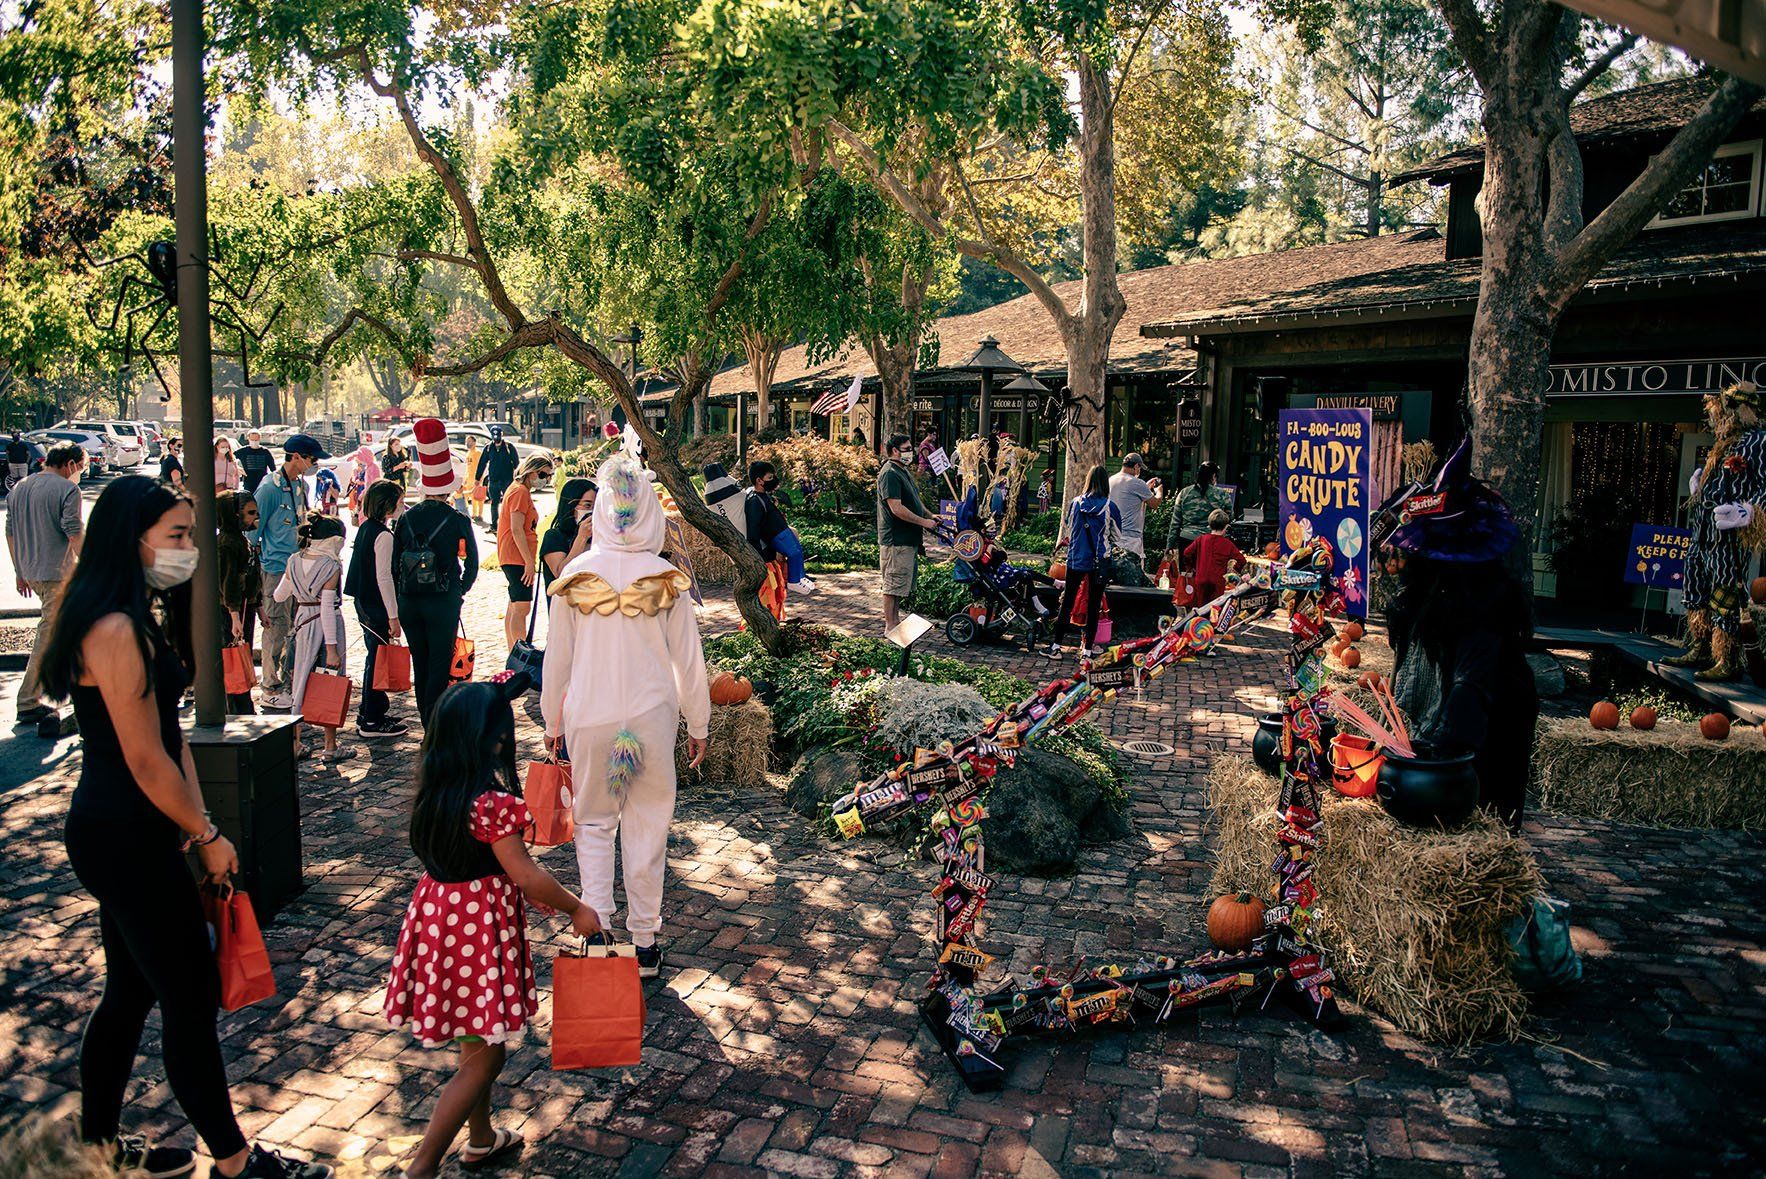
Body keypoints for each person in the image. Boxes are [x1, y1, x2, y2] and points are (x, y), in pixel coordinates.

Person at [40, 475, 333, 1179]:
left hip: (140, 826)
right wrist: (206, 836)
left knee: (131, 991)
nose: (188, 548)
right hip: (123, 832)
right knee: (188, 995)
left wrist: (199, 826)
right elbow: (144, 760)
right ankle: (234, 1162)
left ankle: (98, 1148)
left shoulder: (130, 613)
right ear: (130, 539)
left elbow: (171, 742)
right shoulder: (113, 628)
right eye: (176, 536)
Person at [384, 678, 601, 1179]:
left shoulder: (435, 792)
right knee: (487, 1055)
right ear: (493, 742)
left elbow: (498, 869)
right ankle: (422, 1167)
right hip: (476, 927)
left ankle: (481, 1139)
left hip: (439, 916)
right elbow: (526, 873)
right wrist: (575, 908)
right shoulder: (492, 804)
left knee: (474, 1035)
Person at [541, 453, 709, 978]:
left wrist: (552, 721)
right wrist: (698, 722)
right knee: (646, 824)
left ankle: (598, 934)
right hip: (648, 723)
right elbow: (689, 662)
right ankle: (644, 940)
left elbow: (557, 661)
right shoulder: (665, 579)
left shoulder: (576, 575)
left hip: (590, 718)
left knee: (592, 823)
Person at [1384, 440, 1536, 832]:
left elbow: (1468, 695)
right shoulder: (1424, 602)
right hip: (1447, 745)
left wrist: (1433, 764)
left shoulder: (1482, 608)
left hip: (1481, 753)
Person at [395, 418, 479, 728]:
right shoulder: (457, 519)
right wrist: (460, 589)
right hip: (443, 599)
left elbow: (395, 563)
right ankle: (434, 723)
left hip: (410, 601)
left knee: (421, 664)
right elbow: (472, 563)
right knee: (440, 664)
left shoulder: (406, 519)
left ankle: (424, 719)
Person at [7, 442, 86, 724]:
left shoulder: (20, 487)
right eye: (82, 466)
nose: (81, 472)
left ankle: (81, 692)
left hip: (32, 571)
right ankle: (28, 701)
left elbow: (11, 532)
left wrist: (19, 571)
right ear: (70, 464)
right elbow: (74, 531)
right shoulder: (67, 489)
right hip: (57, 573)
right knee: (50, 635)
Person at [253, 435, 327, 710]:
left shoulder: (299, 485)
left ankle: (288, 681)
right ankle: (270, 687)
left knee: (294, 630)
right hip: (275, 570)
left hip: (298, 569)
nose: (313, 464)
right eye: (311, 459)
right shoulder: (269, 489)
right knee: (276, 627)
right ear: (296, 456)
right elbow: (253, 533)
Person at [274, 512, 353, 764]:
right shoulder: (331, 565)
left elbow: (279, 595)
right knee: (331, 682)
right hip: (324, 626)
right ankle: (329, 745)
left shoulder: (294, 560)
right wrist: (331, 649)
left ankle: (296, 742)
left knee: (299, 682)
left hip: (301, 622)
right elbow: (328, 608)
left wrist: (301, 590)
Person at [345, 479, 410, 739]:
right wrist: (393, 616)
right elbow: (384, 577)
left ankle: (372, 711)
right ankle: (371, 717)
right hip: (375, 603)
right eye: (399, 502)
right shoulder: (383, 535)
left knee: (375, 656)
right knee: (377, 658)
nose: (402, 506)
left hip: (364, 599)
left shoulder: (367, 528)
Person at [1049, 464, 1121, 658]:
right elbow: (1117, 535)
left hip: (1075, 558)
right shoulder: (1109, 507)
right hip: (1099, 561)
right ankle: (1087, 650)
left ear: (1087, 480)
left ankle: (1056, 646)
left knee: (1068, 602)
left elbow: (1068, 527)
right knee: (1094, 605)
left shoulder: (1074, 504)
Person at [876, 433, 940, 633]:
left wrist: (931, 515)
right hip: (896, 539)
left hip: (908, 538)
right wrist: (924, 523)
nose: (910, 452)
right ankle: (890, 625)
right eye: (906, 449)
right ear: (894, 451)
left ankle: (895, 622)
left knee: (899, 586)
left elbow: (915, 501)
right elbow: (897, 508)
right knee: (892, 584)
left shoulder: (902, 471)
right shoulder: (889, 474)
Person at [496, 453, 556, 651]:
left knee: (515, 605)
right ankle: (521, 650)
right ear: (531, 470)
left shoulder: (518, 490)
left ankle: (513, 649)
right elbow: (516, 528)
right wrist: (528, 561)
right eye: (542, 474)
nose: (545, 479)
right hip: (516, 556)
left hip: (513, 555)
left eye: (548, 476)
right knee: (522, 606)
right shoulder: (520, 491)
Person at [214, 491, 263, 716]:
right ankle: (238, 711)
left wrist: (259, 607)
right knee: (234, 661)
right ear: (236, 515)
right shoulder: (227, 543)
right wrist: (234, 616)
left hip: (243, 609)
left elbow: (252, 577)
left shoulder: (240, 539)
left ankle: (242, 708)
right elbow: (228, 582)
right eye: (250, 513)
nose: (256, 517)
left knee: (240, 660)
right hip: (233, 612)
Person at [745, 460, 814, 593]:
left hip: (782, 530)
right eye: (769, 478)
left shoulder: (764, 496)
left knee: (798, 551)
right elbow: (754, 527)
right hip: (776, 535)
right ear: (759, 480)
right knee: (793, 553)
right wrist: (758, 552)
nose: (774, 480)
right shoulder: (754, 501)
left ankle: (800, 577)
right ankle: (794, 582)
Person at [1182, 509, 1246, 611]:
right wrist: (1234, 570)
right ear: (1226, 527)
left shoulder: (1201, 539)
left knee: (1200, 609)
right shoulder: (1227, 544)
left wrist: (1191, 567)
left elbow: (1187, 553)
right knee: (1215, 610)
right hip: (1218, 582)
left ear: (1210, 525)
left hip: (1201, 579)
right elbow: (1242, 560)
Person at [1108, 452, 1162, 561]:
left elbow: (1128, 496)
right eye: (1139, 468)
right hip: (1130, 539)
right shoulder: (1137, 483)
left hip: (1113, 535)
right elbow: (1155, 504)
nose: (1139, 471)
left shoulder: (1110, 480)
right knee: (1132, 575)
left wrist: (1146, 488)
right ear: (1136, 466)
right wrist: (1159, 492)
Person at [540, 478, 596, 584]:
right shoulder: (554, 536)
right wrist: (582, 538)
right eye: (587, 505)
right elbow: (560, 573)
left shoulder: (599, 537)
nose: (592, 511)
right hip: (565, 599)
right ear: (570, 505)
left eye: (596, 507)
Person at [1166, 461, 1230, 551]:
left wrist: (1170, 545)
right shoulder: (1222, 494)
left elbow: (1175, 522)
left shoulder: (1184, 492)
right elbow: (1229, 517)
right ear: (1214, 476)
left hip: (1186, 539)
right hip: (1210, 541)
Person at [477, 427, 519, 528]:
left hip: (507, 480)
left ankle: (507, 524)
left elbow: (516, 463)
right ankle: (494, 525)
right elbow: (482, 463)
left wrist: (518, 477)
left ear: (502, 434)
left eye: (498, 437)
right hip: (493, 480)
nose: (496, 439)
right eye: (494, 437)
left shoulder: (509, 447)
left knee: (507, 502)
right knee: (494, 503)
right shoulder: (488, 448)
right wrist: (477, 478)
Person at [237, 429, 274, 495]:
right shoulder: (243, 451)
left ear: (259, 439)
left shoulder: (265, 452)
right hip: (248, 483)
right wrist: (238, 469)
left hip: (262, 482)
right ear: (248, 439)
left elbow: (273, 468)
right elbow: (230, 458)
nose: (254, 442)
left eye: (256, 440)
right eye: (252, 440)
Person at [462, 436, 485, 521]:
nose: (468, 443)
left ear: (475, 442)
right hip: (469, 478)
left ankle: (480, 514)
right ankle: (474, 514)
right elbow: (468, 467)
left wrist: (479, 478)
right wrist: (465, 479)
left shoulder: (477, 453)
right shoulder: (468, 453)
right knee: (472, 497)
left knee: (479, 496)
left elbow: (481, 466)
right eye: (467, 441)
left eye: (470, 441)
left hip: (476, 478)